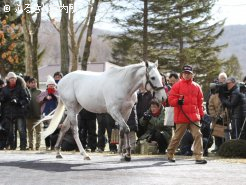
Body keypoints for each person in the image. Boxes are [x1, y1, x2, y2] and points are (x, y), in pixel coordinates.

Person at [166, 65, 207, 164]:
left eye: (189, 73)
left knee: (198, 135)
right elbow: (170, 100)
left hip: (193, 116)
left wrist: (201, 115)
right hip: (181, 116)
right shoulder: (177, 86)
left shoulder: (197, 87)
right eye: (185, 73)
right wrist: (177, 102)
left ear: (192, 74)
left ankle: (198, 157)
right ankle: (170, 153)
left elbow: (200, 103)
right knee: (177, 137)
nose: (187, 75)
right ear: (182, 74)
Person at [0, 72, 30, 150]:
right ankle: (12, 147)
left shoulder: (21, 88)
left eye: (14, 78)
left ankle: (23, 147)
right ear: (8, 79)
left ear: (16, 79)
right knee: (10, 132)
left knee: (21, 130)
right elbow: (1, 100)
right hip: (8, 113)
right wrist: (3, 99)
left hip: (19, 112)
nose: (12, 80)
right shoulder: (4, 89)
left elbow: (26, 99)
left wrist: (18, 102)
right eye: (11, 79)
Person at [208, 72, 230, 152]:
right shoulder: (214, 90)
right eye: (221, 78)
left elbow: (228, 106)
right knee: (216, 131)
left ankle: (225, 148)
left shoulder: (228, 90)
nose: (222, 80)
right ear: (218, 79)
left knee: (225, 132)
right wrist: (214, 115)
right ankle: (217, 146)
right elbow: (210, 105)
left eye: (224, 78)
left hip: (225, 117)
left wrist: (223, 115)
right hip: (215, 116)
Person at [37, 75, 59, 150]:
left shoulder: (57, 92)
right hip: (45, 114)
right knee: (46, 129)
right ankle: (47, 146)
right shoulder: (44, 92)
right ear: (47, 85)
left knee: (55, 130)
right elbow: (38, 100)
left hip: (55, 114)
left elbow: (61, 100)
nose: (51, 86)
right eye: (50, 85)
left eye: (53, 85)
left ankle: (54, 146)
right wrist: (45, 98)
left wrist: (54, 96)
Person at [26, 78, 42, 150]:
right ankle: (30, 146)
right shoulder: (26, 91)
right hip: (28, 116)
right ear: (28, 84)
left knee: (38, 132)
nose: (33, 84)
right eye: (31, 82)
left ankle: (38, 146)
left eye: (34, 82)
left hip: (38, 115)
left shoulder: (40, 92)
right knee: (30, 132)